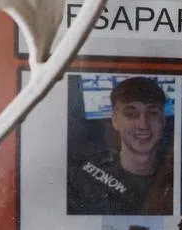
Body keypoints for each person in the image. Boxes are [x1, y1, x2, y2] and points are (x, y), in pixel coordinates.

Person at [69, 76, 173, 215]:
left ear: (163, 121)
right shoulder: (83, 180)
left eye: (152, 113)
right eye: (131, 114)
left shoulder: (178, 176)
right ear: (115, 121)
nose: (143, 125)